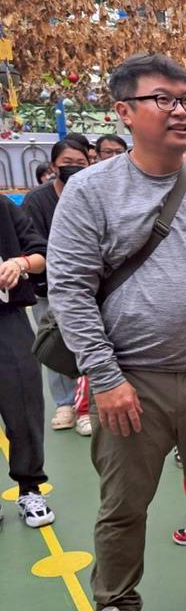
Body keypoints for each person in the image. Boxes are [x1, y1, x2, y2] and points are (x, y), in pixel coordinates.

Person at [47, 53, 186, 611]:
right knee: (124, 503)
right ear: (124, 112)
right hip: (130, 380)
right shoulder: (92, 191)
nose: (181, 110)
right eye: (163, 98)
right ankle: (115, 606)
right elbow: (70, 289)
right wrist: (105, 377)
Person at [20, 138, 92, 435]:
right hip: (47, 287)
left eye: (80, 162)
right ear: (53, 166)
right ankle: (64, 403)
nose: (74, 167)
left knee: (87, 342)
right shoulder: (37, 201)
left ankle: (86, 404)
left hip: (89, 285)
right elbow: (32, 242)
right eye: (67, 163)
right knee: (54, 341)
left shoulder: (93, 193)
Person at [0, 195, 52, 528]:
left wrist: (19, 264)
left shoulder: (4, 208)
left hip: (6, 317)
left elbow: (41, 254)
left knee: (23, 400)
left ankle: (30, 487)